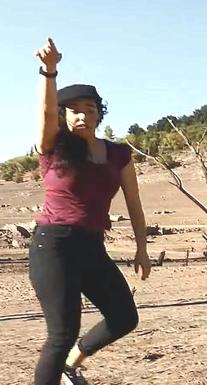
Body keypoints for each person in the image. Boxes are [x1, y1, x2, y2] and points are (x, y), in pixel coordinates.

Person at [30, 37, 151, 385]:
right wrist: (48, 71)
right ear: (65, 117)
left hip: (91, 246)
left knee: (124, 317)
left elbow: (134, 204)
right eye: (74, 109)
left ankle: (73, 363)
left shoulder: (118, 154)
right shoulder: (52, 147)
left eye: (90, 107)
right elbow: (46, 113)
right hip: (53, 245)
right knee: (61, 331)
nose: (82, 113)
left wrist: (142, 248)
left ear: (100, 113)